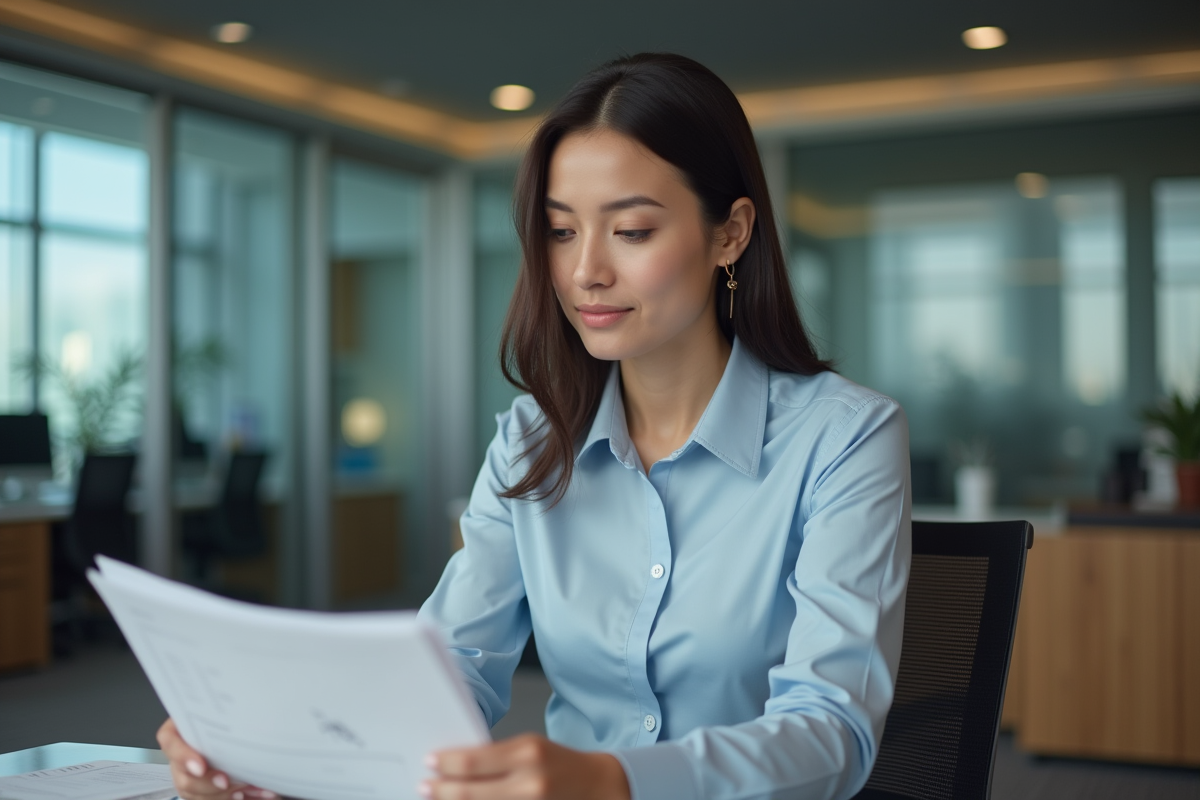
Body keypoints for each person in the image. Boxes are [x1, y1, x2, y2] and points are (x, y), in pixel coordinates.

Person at [158, 52, 911, 800]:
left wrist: (614, 781)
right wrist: (265, 742)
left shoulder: (845, 439)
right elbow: (449, 669)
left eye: (633, 231)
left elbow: (831, 730)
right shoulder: (531, 440)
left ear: (730, 234)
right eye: (559, 232)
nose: (585, 271)